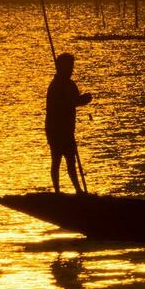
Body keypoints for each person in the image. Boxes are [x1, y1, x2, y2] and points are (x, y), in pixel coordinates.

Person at [45, 53, 92, 194]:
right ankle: (57, 192)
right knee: (57, 160)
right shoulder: (54, 87)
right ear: (61, 67)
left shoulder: (71, 85)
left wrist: (83, 100)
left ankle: (78, 190)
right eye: (69, 67)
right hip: (55, 129)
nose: (72, 70)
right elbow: (62, 105)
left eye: (72, 67)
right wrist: (79, 100)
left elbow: (74, 101)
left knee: (71, 161)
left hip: (68, 129)